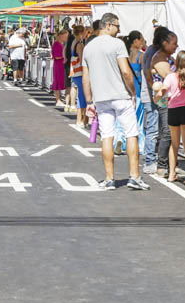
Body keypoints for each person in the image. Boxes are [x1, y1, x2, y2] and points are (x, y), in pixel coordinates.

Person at [81, 12, 150, 191]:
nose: (119, 31)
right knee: (131, 133)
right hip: (121, 95)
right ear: (109, 25)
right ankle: (134, 176)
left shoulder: (88, 47)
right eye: (118, 26)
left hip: (101, 98)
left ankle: (109, 178)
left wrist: (89, 101)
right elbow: (126, 72)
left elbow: (85, 78)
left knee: (107, 136)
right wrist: (133, 92)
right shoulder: (118, 44)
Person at [153, 50, 185, 184]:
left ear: (176, 62)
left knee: (174, 144)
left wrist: (157, 97)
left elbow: (163, 91)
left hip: (173, 110)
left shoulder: (171, 77)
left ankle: (171, 174)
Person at [148, 28, 178, 176]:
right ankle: (162, 165)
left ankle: (169, 164)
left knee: (169, 132)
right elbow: (170, 76)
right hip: (165, 99)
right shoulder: (159, 58)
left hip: (171, 98)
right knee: (167, 132)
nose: (176, 47)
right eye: (174, 44)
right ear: (164, 43)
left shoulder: (167, 57)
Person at [69, 25, 88, 127]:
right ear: (81, 33)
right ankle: (80, 119)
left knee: (81, 95)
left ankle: (82, 119)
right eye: (85, 32)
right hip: (80, 72)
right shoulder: (80, 45)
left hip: (75, 73)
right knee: (82, 96)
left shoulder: (73, 42)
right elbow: (82, 60)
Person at [51, 28, 69, 106]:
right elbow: (56, 56)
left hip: (61, 65)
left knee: (61, 82)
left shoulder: (61, 44)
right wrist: (64, 57)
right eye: (65, 36)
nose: (66, 38)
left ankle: (60, 99)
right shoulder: (57, 44)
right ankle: (58, 100)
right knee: (58, 82)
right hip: (58, 65)